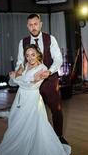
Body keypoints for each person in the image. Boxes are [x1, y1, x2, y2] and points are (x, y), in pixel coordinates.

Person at [0, 44, 71, 155]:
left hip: (32, 100)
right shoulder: (25, 66)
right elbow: (13, 84)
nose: (30, 57)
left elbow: (30, 85)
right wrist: (13, 76)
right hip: (20, 99)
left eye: (32, 54)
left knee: (29, 125)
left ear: (38, 54)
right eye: (27, 55)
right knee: (16, 124)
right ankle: (21, 150)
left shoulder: (42, 68)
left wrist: (16, 77)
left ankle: (34, 152)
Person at [16, 13, 68, 144]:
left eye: (35, 24)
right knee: (33, 112)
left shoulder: (50, 39)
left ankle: (59, 137)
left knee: (56, 109)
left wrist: (49, 72)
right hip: (32, 83)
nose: (33, 27)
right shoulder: (23, 42)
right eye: (30, 25)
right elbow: (20, 62)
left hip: (49, 81)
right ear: (27, 26)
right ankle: (37, 140)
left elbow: (58, 59)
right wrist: (19, 69)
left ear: (40, 24)